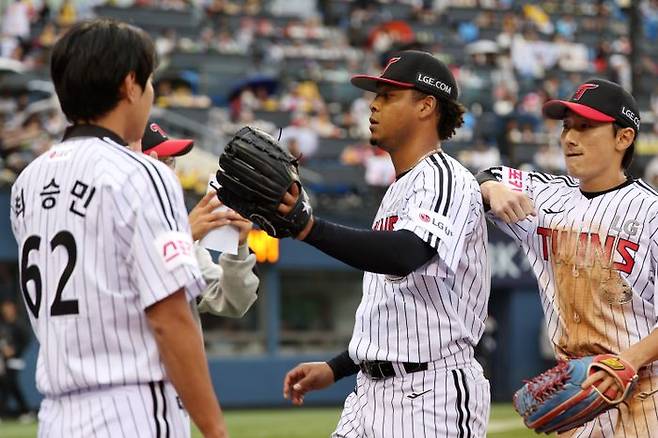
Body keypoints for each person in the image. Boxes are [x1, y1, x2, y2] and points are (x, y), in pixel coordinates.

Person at [9, 19, 228, 438]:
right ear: (130, 84)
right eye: (149, 84)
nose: (149, 95)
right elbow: (170, 318)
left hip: (55, 416)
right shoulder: (144, 173)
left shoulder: (27, 181)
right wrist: (215, 429)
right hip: (132, 408)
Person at [281, 50, 491, 436]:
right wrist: (337, 367)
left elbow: (405, 254)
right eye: (375, 96)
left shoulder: (445, 178)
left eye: (388, 96)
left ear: (427, 106)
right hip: (369, 393)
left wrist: (308, 228)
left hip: (432, 395)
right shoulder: (398, 190)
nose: (373, 106)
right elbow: (393, 313)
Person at [477, 78, 658, 436]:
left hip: (644, 394)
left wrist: (626, 363)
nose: (569, 138)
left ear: (624, 138)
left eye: (586, 127)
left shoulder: (652, 212)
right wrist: (491, 187)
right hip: (576, 393)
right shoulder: (548, 196)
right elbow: (485, 176)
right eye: (566, 127)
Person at [137, 121, 259, 320]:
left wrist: (239, 248)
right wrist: (185, 237)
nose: (170, 172)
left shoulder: (176, 228)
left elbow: (233, 303)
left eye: (171, 162)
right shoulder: (112, 223)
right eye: (161, 162)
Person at [0, 300, 31, 420]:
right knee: (8, 385)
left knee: (11, 384)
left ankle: (25, 410)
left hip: (16, 360)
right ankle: (25, 411)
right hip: (4, 361)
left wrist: (14, 350)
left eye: (8, 307)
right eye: (4, 308)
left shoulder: (19, 324)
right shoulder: (4, 324)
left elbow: (25, 341)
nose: (6, 310)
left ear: (13, 308)